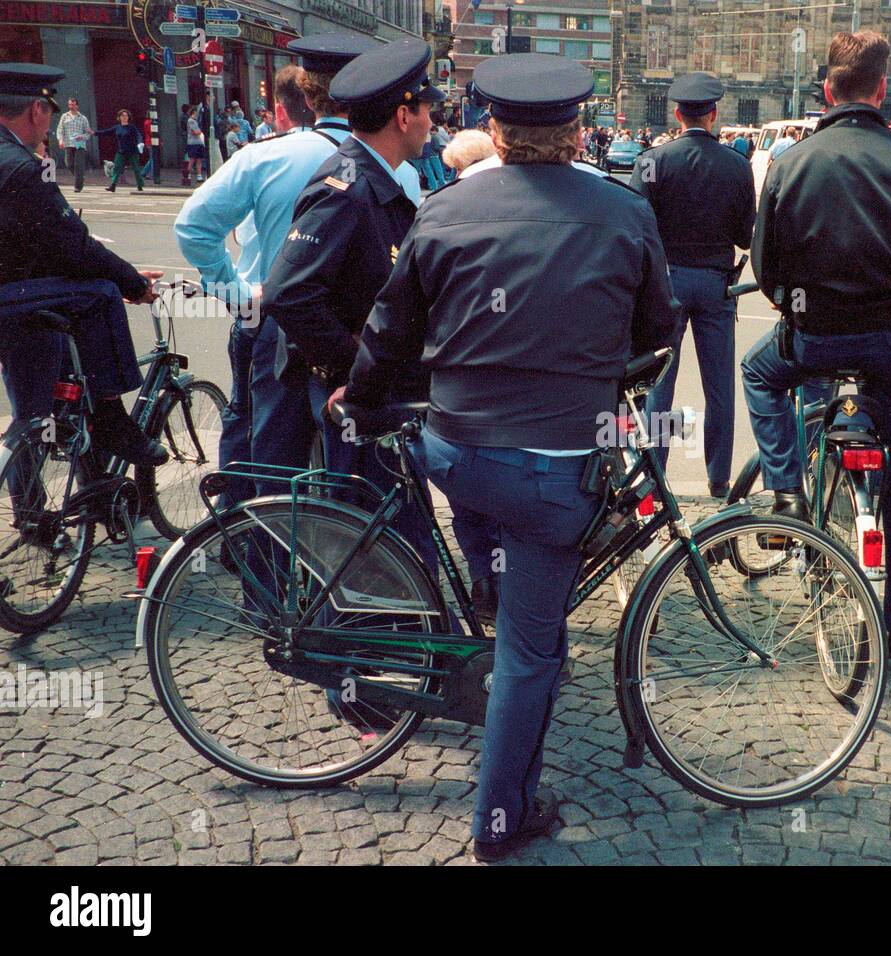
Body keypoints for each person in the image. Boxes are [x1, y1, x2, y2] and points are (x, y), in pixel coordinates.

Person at [335, 52, 676, 861]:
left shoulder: (447, 207)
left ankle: (475, 588)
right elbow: (657, 334)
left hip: (454, 450)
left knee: (479, 525)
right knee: (532, 653)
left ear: (494, 129)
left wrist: (358, 392)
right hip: (554, 468)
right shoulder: (623, 213)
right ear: (578, 131)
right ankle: (499, 822)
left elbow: (390, 329)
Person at [742, 31, 891, 665]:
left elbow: (766, 262)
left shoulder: (791, 161)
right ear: (881, 90)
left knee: (758, 372)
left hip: (816, 338)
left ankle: (786, 491)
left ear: (828, 90)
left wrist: (793, 303)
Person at [262, 39, 445, 576]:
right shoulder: (348, 187)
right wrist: (352, 362)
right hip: (351, 393)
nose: (433, 120)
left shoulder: (378, 182)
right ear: (403, 115)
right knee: (368, 538)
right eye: (427, 108)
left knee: (388, 532)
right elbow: (287, 292)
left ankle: (398, 637)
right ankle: (363, 644)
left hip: (374, 386)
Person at [175, 57, 330, 508]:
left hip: (264, 314)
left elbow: (194, 228)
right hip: (342, 328)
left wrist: (235, 294)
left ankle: (239, 532)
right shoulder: (384, 161)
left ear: (282, 111)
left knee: (250, 424)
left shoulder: (266, 156)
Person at [0, 63, 167, 466]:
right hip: (13, 299)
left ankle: (34, 518)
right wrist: (129, 281)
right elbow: (73, 245)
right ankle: (111, 417)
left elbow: (37, 244)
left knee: (34, 417)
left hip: (16, 294)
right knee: (102, 294)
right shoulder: (23, 167)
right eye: (50, 114)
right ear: (37, 111)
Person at [631, 72, 755, 499]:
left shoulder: (653, 161)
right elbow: (745, 235)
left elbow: (637, 227)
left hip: (667, 282)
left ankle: (654, 477)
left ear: (677, 113)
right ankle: (718, 478)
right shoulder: (737, 164)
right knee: (719, 385)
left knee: (659, 385)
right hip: (716, 283)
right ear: (714, 114)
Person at [98, 109, 145, 192]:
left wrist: (140, 142)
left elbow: (138, 135)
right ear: (119, 117)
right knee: (116, 168)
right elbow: (106, 132)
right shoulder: (117, 127)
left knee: (136, 168)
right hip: (121, 151)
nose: (124, 117)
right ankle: (113, 186)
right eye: (122, 116)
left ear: (128, 117)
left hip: (132, 151)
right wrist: (94, 133)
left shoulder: (132, 127)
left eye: (126, 116)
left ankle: (140, 185)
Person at [54, 95, 90, 192]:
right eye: (70, 105)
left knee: (78, 165)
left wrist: (82, 137)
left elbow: (88, 133)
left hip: (79, 144)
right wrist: (60, 140)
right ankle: (80, 177)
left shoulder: (83, 118)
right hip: (68, 143)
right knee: (68, 163)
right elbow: (60, 129)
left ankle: (78, 186)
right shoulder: (64, 116)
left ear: (77, 106)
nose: (71, 107)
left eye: (73, 105)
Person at [182, 106, 204, 186]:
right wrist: (200, 131)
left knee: (199, 160)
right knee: (192, 159)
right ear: (194, 112)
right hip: (193, 142)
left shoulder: (195, 121)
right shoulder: (191, 121)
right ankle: (188, 174)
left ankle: (199, 176)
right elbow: (195, 132)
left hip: (198, 142)